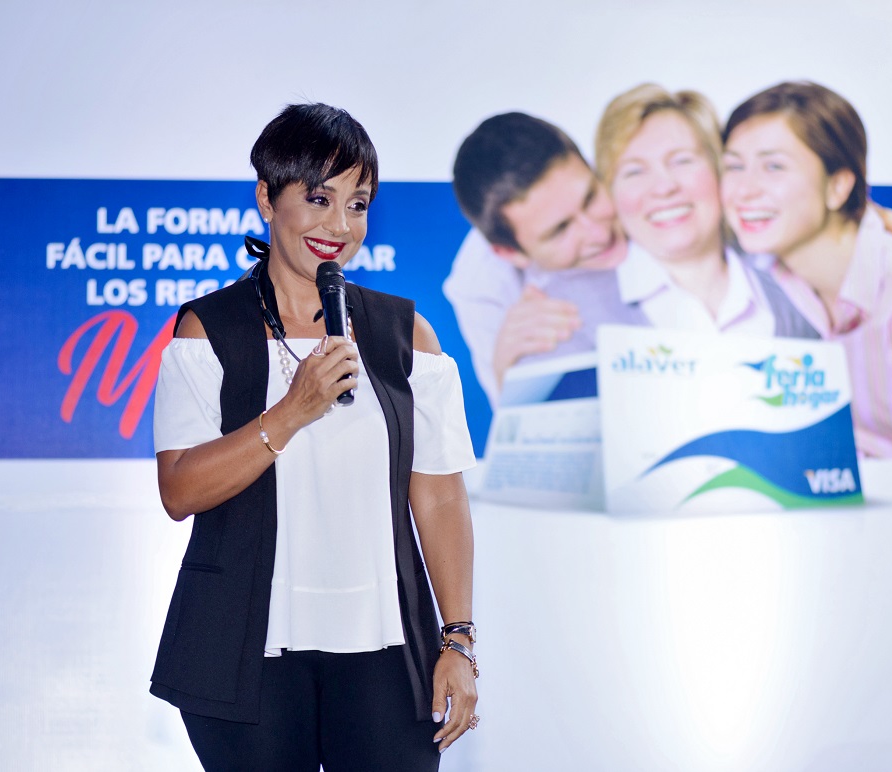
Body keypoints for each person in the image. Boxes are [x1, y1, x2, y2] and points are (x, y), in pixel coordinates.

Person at [149, 103, 479, 771]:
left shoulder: (407, 336)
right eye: (320, 198)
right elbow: (180, 489)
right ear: (267, 198)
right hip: (246, 654)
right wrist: (292, 411)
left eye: (358, 204)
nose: (339, 225)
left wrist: (459, 641)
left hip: (388, 650)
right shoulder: (208, 330)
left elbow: (440, 500)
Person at [722, 81, 892, 457]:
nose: (743, 190)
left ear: (838, 187)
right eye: (733, 166)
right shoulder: (768, 271)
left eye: (773, 166)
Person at [590, 83, 819, 341]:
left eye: (682, 161)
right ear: (610, 192)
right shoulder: (568, 311)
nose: (664, 187)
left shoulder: (797, 289)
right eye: (634, 171)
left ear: (720, 168)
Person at [445, 112, 626, 404]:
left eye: (591, 197)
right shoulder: (480, 283)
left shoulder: (630, 171)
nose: (599, 234)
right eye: (561, 229)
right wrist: (506, 370)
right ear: (511, 253)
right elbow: (512, 409)